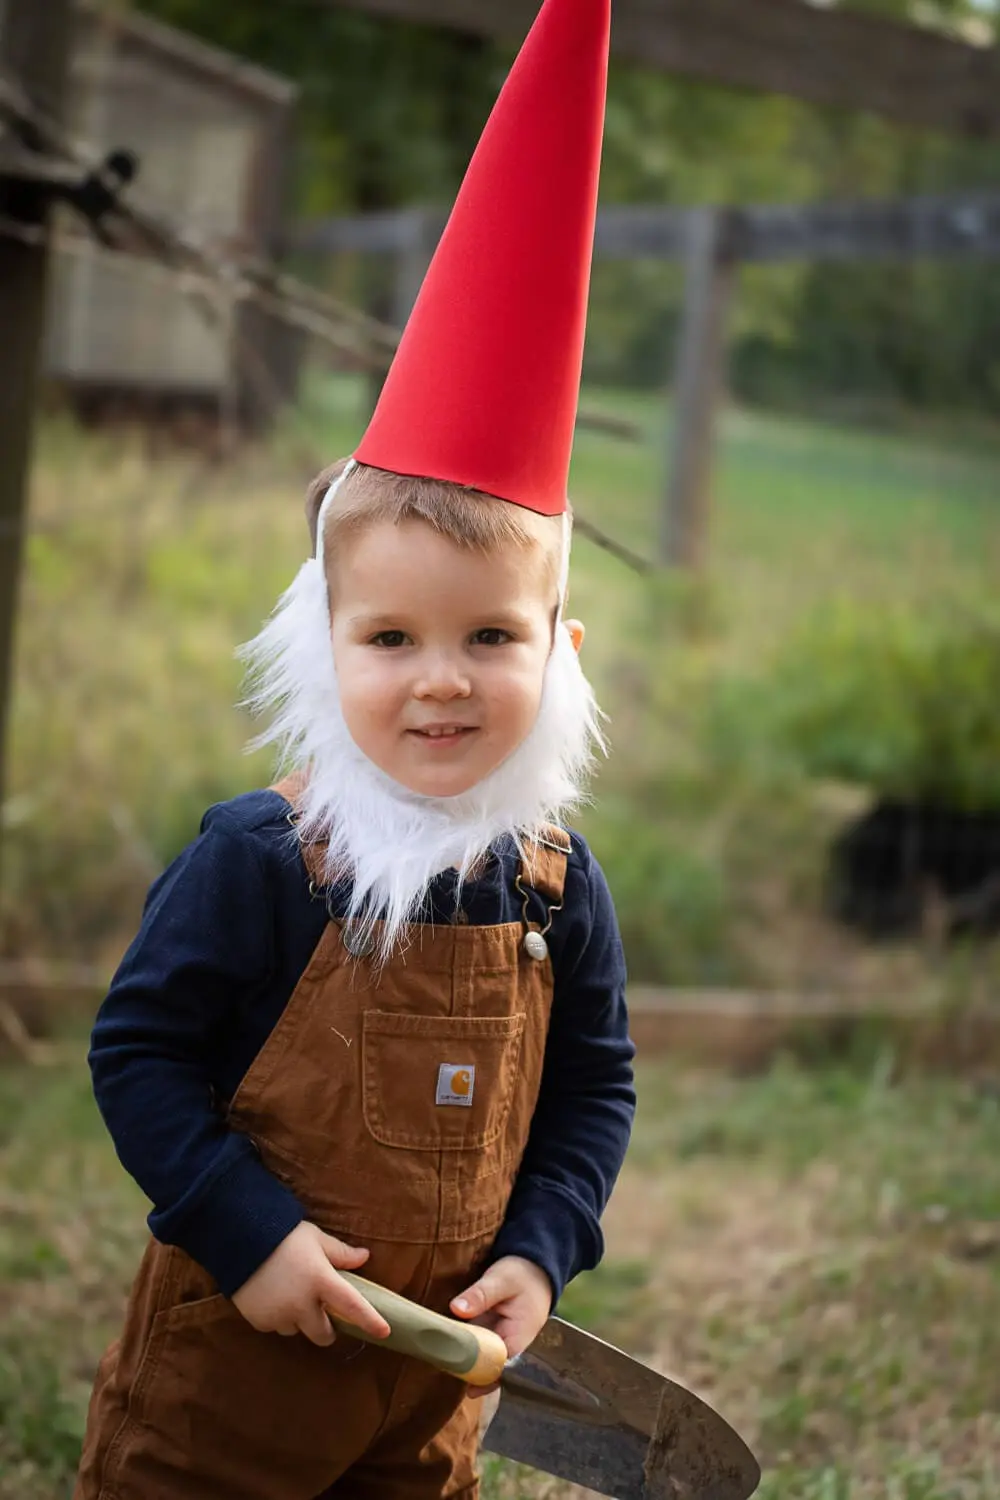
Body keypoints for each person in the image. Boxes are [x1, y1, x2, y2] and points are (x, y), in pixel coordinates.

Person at [75, 0, 635, 1496]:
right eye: (392, 639)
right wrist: (244, 1230)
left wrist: (544, 1244)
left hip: (427, 1390)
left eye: (491, 638)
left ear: (557, 653)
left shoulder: (553, 882)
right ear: (325, 650)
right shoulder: (264, 858)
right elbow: (139, 1057)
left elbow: (593, 1087)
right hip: (236, 1375)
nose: (440, 683)